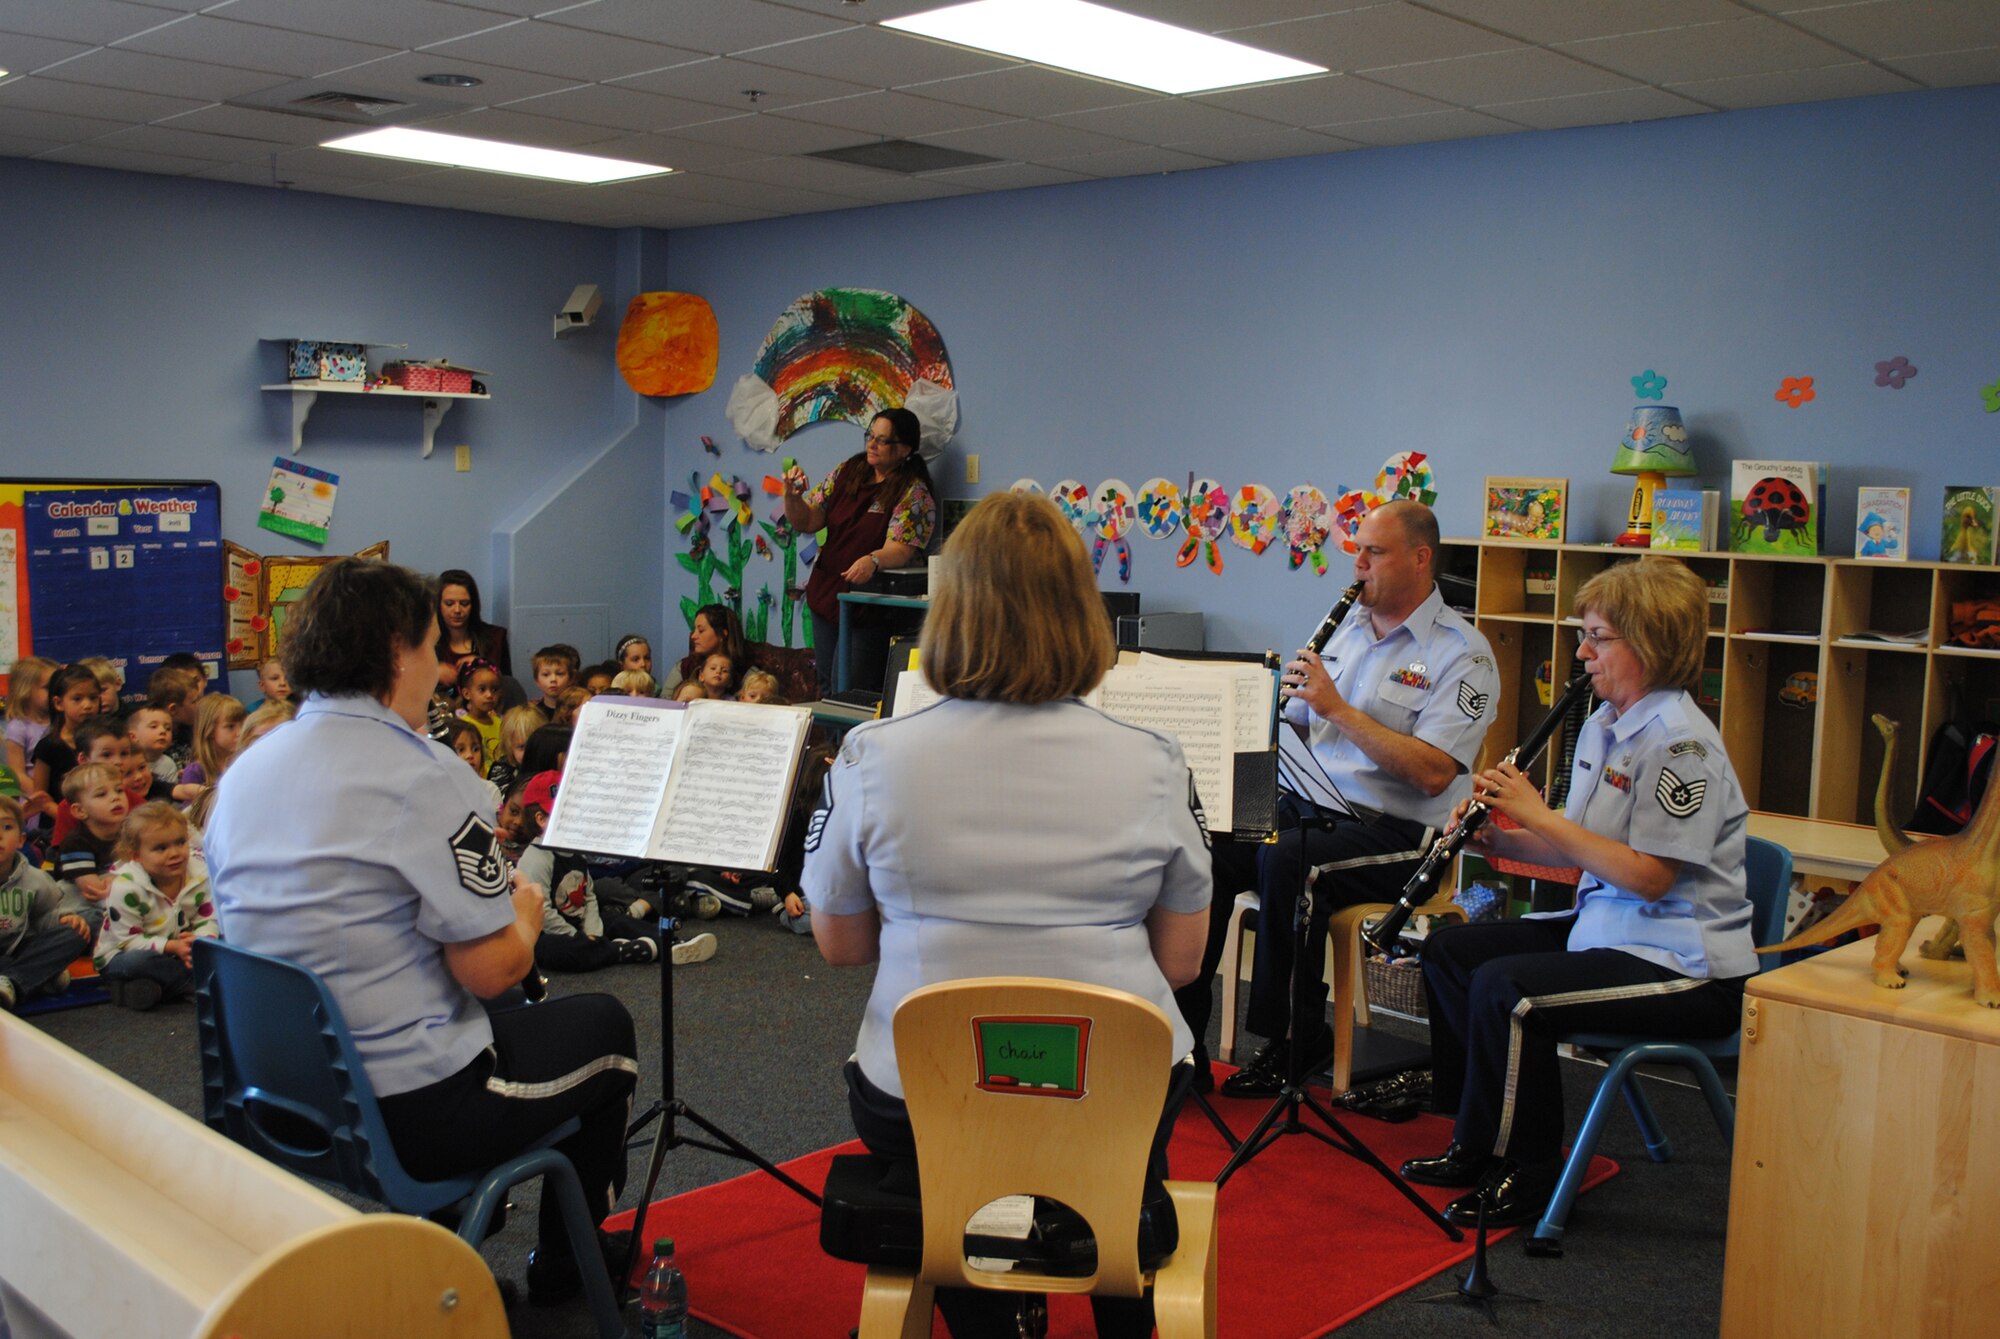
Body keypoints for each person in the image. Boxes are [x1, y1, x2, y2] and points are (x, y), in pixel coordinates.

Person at [805, 491, 1209, 1339]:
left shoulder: (874, 756)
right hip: (1115, 1085)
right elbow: (1179, 963)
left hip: (921, 1088)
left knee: (949, 1140)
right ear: (1080, 614)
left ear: (948, 611)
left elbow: (840, 944)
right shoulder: (1154, 763)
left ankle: (981, 1304)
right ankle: (1115, 1266)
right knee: (1118, 1124)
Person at [204, 558, 638, 1305]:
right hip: (404, 1110)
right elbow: (491, 969)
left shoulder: (249, 767)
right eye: (437, 649)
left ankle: (453, 1253)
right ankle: (568, 1266)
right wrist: (528, 917)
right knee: (603, 1024)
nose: (442, 668)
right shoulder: (421, 775)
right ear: (399, 651)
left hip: (272, 1088)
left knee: (510, 1021)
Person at [1403, 557, 1756, 1227]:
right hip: (1609, 930)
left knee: (1513, 991)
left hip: (1685, 965)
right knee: (1451, 952)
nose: (1582, 652)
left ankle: (1525, 1170)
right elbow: (1583, 850)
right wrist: (1500, 841)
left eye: (1598, 637)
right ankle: (1472, 1137)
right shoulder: (1603, 724)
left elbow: (1651, 876)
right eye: (1583, 634)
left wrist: (1536, 813)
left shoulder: (1683, 747)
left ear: (1647, 645)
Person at [1176, 499, 1500, 1098]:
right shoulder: (1345, 628)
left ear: (1420, 559)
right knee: (1205, 839)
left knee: (1290, 860)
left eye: (1373, 553)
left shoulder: (1463, 654)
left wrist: (1338, 710)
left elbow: (1433, 774)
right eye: (1356, 550)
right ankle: (1182, 1046)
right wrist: (1255, 727)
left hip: (1399, 835)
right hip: (1309, 806)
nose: (1357, 565)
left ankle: (1294, 1040)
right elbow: (1292, 723)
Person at [782, 407, 938, 695]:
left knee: (850, 687)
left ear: (904, 449)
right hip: (827, 593)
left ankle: (849, 741)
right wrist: (792, 497)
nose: (872, 444)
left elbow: (901, 549)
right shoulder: (849, 471)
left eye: (882, 440)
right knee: (827, 685)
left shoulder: (913, 493)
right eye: (870, 436)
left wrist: (874, 559)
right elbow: (809, 520)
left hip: (868, 606)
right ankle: (831, 742)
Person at [94, 802, 217, 1011]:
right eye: (161, 848)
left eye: (180, 842)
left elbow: (208, 917)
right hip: (124, 955)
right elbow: (127, 941)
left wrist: (202, 940)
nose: (175, 853)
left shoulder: (199, 873)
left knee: (225, 941)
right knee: (139, 962)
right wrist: (172, 947)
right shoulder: (125, 887)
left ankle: (144, 990)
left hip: (178, 953)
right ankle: (196, 985)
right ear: (135, 855)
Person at [0, 795, 92, 1012]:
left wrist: (64, 918)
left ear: (21, 839)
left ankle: (12, 982)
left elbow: (46, 915)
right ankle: (38, 976)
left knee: (75, 932)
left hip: (20, 949)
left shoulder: (35, 879)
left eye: (5, 827)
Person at [30, 664, 106, 814]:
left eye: (93, 698)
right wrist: (68, 818)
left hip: (101, 817)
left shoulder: (105, 739)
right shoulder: (48, 746)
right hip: (59, 823)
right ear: (58, 703)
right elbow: (41, 798)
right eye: (77, 699)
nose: (87, 705)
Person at [435, 569, 512, 679]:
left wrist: (483, 665)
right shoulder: (425, 642)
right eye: (449, 603)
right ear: (438, 605)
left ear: (473, 605)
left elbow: (508, 686)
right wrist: (431, 673)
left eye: (464, 603)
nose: (457, 610)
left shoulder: (496, 637)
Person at [4, 657, 57, 818]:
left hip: (58, 794)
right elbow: (17, 773)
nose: (56, 692)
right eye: (49, 688)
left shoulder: (60, 721)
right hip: (34, 801)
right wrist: (41, 794)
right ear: (25, 691)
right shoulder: (18, 727)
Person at [666, 605, 749, 697]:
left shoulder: (747, 671)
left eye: (701, 630)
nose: (693, 636)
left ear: (722, 634)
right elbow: (664, 703)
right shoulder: (684, 667)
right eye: (694, 630)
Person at [455, 658, 505, 770]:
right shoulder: (464, 726)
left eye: (494, 689)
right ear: (467, 693)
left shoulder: (500, 723)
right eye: (482, 689)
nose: (489, 695)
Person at [529, 646, 574, 716]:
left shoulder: (578, 713)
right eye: (546, 674)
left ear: (570, 679)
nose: (553, 679)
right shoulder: (533, 715)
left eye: (559, 674)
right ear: (537, 680)